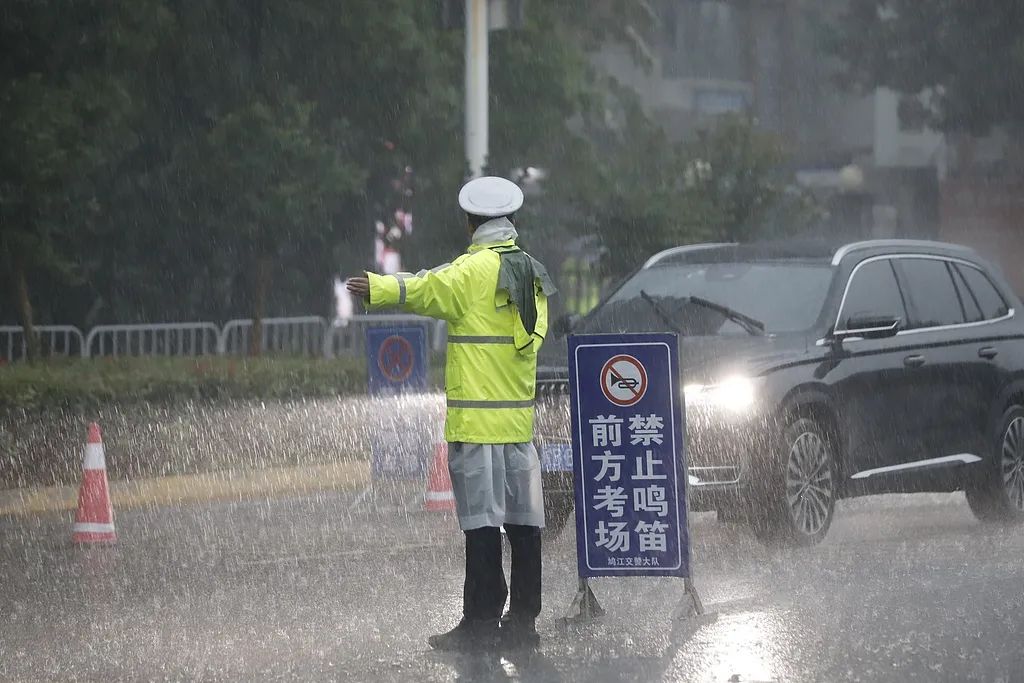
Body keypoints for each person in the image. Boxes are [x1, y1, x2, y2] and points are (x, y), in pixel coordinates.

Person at [347, 176, 556, 651]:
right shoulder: (534, 272)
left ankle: (480, 622)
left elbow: (426, 287)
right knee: (525, 523)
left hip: (477, 426)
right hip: (517, 426)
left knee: (481, 525)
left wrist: (377, 287)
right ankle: (523, 622)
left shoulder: (472, 270)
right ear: (510, 220)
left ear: (470, 223)